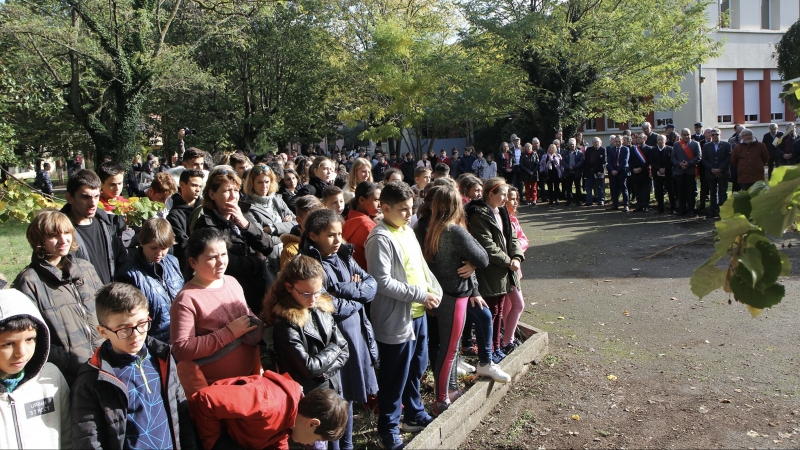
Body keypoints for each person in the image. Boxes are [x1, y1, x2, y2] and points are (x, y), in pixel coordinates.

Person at [364, 181, 442, 449]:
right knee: (394, 377)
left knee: (416, 369)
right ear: (384, 208)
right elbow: (381, 281)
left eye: (411, 208)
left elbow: (421, 267)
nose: (409, 214)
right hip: (396, 320)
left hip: (418, 316)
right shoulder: (379, 238)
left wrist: (434, 290)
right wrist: (421, 295)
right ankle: (388, 429)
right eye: (403, 209)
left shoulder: (406, 231)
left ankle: (414, 414)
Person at [71, 283, 195, 449]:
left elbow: (181, 414)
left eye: (142, 324)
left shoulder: (162, 357)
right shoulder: (93, 379)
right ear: (103, 331)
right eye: (124, 329)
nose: (136, 335)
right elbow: (89, 439)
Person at [421, 187, 510, 415]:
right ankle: (441, 399)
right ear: (456, 205)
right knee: (449, 351)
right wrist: (472, 262)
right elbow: (482, 257)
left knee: (450, 349)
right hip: (455, 297)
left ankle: (450, 390)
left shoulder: (434, 229)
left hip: (444, 295)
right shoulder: (455, 231)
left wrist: (469, 264)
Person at [300, 209, 379, 450]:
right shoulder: (309, 264)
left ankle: (347, 446)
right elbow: (329, 305)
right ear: (313, 236)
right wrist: (354, 295)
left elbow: (371, 285)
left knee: (350, 397)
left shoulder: (344, 255)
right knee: (334, 403)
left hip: (354, 338)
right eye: (331, 235)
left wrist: (343, 289)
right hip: (331, 343)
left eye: (340, 234)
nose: (338, 241)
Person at [261, 255, 350, 448]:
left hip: (330, 390)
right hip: (309, 401)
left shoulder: (321, 308)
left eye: (317, 292)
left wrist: (323, 370)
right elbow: (308, 367)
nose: (313, 299)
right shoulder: (286, 323)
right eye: (306, 293)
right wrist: (334, 348)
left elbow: (346, 350)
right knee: (316, 443)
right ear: (289, 287)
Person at [14, 210, 105, 386]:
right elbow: (30, 334)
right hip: (68, 377)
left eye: (66, 233)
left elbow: (106, 310)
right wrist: (65, 360)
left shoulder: (86, 268)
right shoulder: (30, 281)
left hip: (104, 365)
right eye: (53, 236)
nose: (63, 240)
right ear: (39, 240)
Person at [170, 228, 263, 397]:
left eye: (224, 254)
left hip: (249, 382)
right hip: (216, 393)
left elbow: (245, 311)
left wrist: (255, 323)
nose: (221, 262)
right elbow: (181, 348)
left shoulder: (232, 281)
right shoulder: (187, 299)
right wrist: (228, 333)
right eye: (212, 257)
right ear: (193, 262)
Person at [189, 375, 349, 450]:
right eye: (316, 438)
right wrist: (216, 443)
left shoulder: (293, 418)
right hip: (194, 430)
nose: (310, 444)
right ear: (312, 423)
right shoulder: (266, 401)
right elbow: (205, 399)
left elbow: (277, 437)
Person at [194, 167, 274, 313]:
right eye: (226, 191)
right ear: (212, 194)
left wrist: (245, 224)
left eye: (236, 191)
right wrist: (258, 262)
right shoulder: (206, 224)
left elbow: (267, 246)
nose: (233, 196)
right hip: (229, 295)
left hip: (257, 291)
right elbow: (226, 262)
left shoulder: (244, 216)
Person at [0, 289, 71, 449]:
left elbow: (69, 438)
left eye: (30, 340)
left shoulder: (50, 377)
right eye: (8, 344)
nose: (21, 353)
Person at [465, 178, 524, 363]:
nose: (506, 199)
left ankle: (497, 346)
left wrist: (516, 257)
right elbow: (486, 245)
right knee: (491, 312)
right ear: (491, 193)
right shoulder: (479, 215)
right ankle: (489, 350)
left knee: (498, 311)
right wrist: (508, 261)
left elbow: (512, 237)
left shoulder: (502, 212)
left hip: (504, 270)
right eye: (503, 194)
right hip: (490, 271)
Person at [115, 218, 184, 343]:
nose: (159, 253)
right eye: (153, 248)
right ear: (142, 242)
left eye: (164, 248)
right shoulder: (128, 274)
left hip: (182, 335)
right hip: (154, 343)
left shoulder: (173, 262)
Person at [60, 169, 129, 284]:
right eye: (85, 197)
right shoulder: (59, 233)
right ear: (69, 198)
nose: (93, 203)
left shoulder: (106, 225)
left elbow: (122, 262)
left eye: (96, 196)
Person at [242, 165, 297, 271]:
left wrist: (273, 228)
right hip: (270, 258)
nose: (264, 186)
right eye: (259, 182)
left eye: (267, 182)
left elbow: (297, 224)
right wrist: (287, 233)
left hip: (290, 252)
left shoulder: (277, 199)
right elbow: (261, 237)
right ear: (251, 183)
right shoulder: (246, 206)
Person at [167, 169, 204, 274]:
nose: (198, 189)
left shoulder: (206, 208)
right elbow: (183, 243)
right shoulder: (174, 214)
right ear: (182, 185)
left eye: (200, 186)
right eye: (194, 185)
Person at [343, 182, 381, 271]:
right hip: (365, 274)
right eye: (376, 200)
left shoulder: (348, 217)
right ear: (362, 200)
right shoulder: (367, 225)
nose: (380, 204)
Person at [280, 195, 323, 269]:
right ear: (299, 220)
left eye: (321, 217)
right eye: (311, 219)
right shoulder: (291, 250)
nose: (318, 222)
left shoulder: (329, 240)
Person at [701, 128, 731, 219]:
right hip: (711, 173)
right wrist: (712, 169)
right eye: (713, 134)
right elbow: (704, 159)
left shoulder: (727, 145)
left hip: (723, 173)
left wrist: (720, 169)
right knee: (712, 193)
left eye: (716, 134)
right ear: (710, 136)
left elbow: (728, 158)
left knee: (723, 193)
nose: (715, 136)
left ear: (720, 135)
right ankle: (713, 211)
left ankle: (723, 213)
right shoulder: (706, 146)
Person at [671, 128, 703, 216]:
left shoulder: (696, 144)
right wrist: (679, 164)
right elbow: (673, 158)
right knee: (681, 192)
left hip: (691, 172)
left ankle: (690, 210)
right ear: (681, 136)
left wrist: (688, 163)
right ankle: (682, 209)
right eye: (684, 135)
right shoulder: (676, 145)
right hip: (679, 172)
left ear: (690, 135)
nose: (686, 136)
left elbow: (699, 157)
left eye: (688, 134)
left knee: (691, 192)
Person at [649, 135, 675, 214]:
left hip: (668, 173)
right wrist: (658, 169)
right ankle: (660, 208)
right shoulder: (653, 150)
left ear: (665, 140)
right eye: (658, 140)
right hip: (657, 173)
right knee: (659, 191)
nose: (660, 141)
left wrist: (665, 169)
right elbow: (652, 161)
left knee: (671, 191)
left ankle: (672, 208)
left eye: (661, 139)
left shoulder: (670, 149)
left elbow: (672, 160)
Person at [606, 136, 630, 212]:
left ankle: (626, 205)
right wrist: (612, 170)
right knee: (613, 188)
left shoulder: (625, 149)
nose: (617, 143)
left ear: (622, 141)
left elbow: (625, 161)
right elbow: (609, 161)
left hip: (622, 171)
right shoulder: (612, 149)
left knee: (623, 188)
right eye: (616, 141)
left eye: (619, 141)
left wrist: (618, 170)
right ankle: (615, 205)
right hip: (613, 171)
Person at [629, 133, 651, 212]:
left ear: (645, 139)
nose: (638, 139)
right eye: (638, 137)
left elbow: (649, 161)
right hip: (635, 173)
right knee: (637, 190)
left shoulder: (648, 149)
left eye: (641, 138)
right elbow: (630, 160)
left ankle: (646, 206)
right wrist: (633, 169)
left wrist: (641, 168)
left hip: (644, 172)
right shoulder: (633, 149)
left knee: (645, 191)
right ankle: (639, 205)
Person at [582, 137, 606, 207]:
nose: (596, 143)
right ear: (592, 143)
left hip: (598, 171)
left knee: (599, 186)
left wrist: (600, 171)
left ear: (600, 142)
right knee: (588, 186)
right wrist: (585, 171)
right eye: (594, 142)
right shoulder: (589, 150)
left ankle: (601, 200)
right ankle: (589, 201)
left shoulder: (603, 150)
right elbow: (586, 161)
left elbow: (604, 161)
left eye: (597, 142)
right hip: (589, 170)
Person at [561, 138, 584, 206]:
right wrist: (568, 167)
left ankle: (578, 200)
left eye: (573, 144)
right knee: (568, 187)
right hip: (568, 173)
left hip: (576, 172)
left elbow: (581, 161)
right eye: (570, 144)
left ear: (575, 144)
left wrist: (574, 167)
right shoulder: (565, 153)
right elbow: (563, 161)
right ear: (568, 145)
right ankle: (569, 200)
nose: (572, 145)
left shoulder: (580, 153)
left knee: (578, 187)